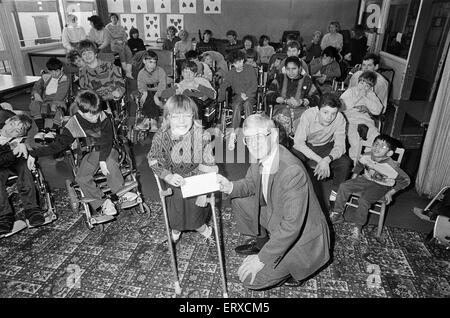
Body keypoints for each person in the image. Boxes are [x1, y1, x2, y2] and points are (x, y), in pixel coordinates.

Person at [216, 113, 330, 290]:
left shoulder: (291, 170)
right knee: (239, 200)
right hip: (278, 214)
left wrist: (262, 259)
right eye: (248, 139)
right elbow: (250, 184)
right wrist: (229, 186)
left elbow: (292, 226)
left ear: (274, 135)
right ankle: (262, 243)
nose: (253, 144)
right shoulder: (262, 155)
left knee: (250, 280)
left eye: (259, 137)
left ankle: (297, 269)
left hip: (301, 237)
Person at [27, 90, 138, 217]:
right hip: (91, 153)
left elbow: (107, 141)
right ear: (80, 112)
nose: (96, 117)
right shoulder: (74, 123)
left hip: (109, 149)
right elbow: (58, 145)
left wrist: (102, 160)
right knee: (81, 178)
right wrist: (34, 153)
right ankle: (102, 203)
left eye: (97, 113)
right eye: (91, 116)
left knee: (110, 163)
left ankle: (121, 193)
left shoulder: (103, 116)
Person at [147, 95, 218, 244]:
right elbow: (153, 160)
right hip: (174, 180)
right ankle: (175, 232)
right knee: (175, 213)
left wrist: (204, 193)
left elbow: (209, 166)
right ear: (167, 118)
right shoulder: (160, 137)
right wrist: (167, 176)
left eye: (186, 115)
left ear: (193, 116)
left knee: (196, 216)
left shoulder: (201, 136)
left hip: (196, 180)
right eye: (176, 116)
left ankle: (205, 230)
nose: (182, 121)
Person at [329, 134, 410, 241]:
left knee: (364, 200)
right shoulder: (366, 155)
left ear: (389, 153)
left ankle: (358, 226)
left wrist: (390, 193)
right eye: (376, 144)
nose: (377, 148)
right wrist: (354, 178)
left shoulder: (392, 167)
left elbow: (406, 180)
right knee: (344, 186)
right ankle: (337, 214)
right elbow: (359, 165)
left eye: (383, 146)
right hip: (365, 179)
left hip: (381, 186)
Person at [292, 93, 352, 208]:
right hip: (306, 145)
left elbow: (340, 146)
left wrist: (328, 159)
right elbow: (299, 143)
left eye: (333, 113)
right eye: (325, 112)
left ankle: (334, 199)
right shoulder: (308, 114)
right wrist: (321, 161)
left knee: (345, 163)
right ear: (318, 109)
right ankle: (292, 193)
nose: (329, 117)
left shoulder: (340, 118)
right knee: (292, 159)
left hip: (325, 146)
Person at [0, 113, 45, 236]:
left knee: (24, 167)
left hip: (15, 164)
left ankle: (32, 210)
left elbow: (34, 138)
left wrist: (24, 145)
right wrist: (14, 151)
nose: (11, 130)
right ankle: (4, 216)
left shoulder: (19, 140)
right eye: (11, 124)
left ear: (21, 135)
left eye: (17, 130)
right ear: (7, 121)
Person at [266, 56, 319, 137]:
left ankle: (298, 143)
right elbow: (269, 94)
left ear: (300, 68)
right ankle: (282, 142)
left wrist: (302, 101)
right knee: (283, 118)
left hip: (301, 111)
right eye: (288, 69)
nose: (291, 72)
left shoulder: (306, 80)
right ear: (285, 68)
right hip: (282, 110)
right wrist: (280, 99)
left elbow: (317, 97)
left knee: (303, 123)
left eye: (294, 69)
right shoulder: (280, 78)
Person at [218, 50, 257, 151]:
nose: (238, 64)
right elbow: (224, 85)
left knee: (247, 104)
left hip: (250, 96)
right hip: (238, 96)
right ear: (232, 64)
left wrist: (247, 95)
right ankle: (233, 134)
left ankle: (248, 133)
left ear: (243, 60)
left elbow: (254, 85)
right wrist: (220, 98)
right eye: (235, 63)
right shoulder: (231, 73)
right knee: (236, 106)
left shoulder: (250, 69)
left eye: (239, 61)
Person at [340, 70, 383, 161]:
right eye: (362, 83)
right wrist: (358, 97)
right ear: (358, 82)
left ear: (371, 88)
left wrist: (365, 98)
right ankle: (355, 160)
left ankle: (369, 159)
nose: (363, 87)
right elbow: (342, 106)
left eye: (367, 86)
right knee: (354, 139)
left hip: (365, 120)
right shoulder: (350, 92)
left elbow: (378, 110)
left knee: (375, 136)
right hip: (350, 119)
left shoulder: (371, 95)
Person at [30, 57, 71, 143]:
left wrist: (54, 104)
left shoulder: (64, 79)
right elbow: (36, 86)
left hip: (60, 100)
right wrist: (36, 94)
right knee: (34, 104)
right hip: (45, 101)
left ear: (61, 69)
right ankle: (41, 129)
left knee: (59, 107)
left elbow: (61, 94)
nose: (54, 74)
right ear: (48, 71)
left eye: (56, 71)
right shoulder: (46, 77)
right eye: (51, 71)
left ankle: (54, 130)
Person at [78, 39, 125, 104]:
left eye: (89, 52)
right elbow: (84, 91)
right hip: (94, 104)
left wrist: (118, 92)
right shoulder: (82, 71)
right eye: (84, 54)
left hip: (112, 100)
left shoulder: (109, 65)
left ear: (95, 54)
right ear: (82, 57)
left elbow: (120, 83)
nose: (87, 56)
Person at [136, 50, 167, 132]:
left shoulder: (160, 71)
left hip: (159, 91)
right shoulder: (141, 73)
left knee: (152, 97)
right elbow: (141, 85)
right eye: (150, 62)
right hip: (147, 91)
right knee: (147, 96)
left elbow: (162, 85)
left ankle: (151, 120)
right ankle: (151, 120)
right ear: (144, 61)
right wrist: (144, 92)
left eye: (154, 62)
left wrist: (157, 96)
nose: (152, 65)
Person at [105, 13, 134, 79]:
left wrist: (124, 41)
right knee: (121, 51)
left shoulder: (120, 26)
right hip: (114, 44)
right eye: (112, 18)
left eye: (115, 17)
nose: (114, 19)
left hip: (122, 43)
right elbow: (108, 38)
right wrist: (116, 41)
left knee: (129, 52)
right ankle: (126, 70)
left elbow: (124, 36)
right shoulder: (107, 27)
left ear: (117, 19)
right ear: (110, 19)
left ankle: (128, 72)